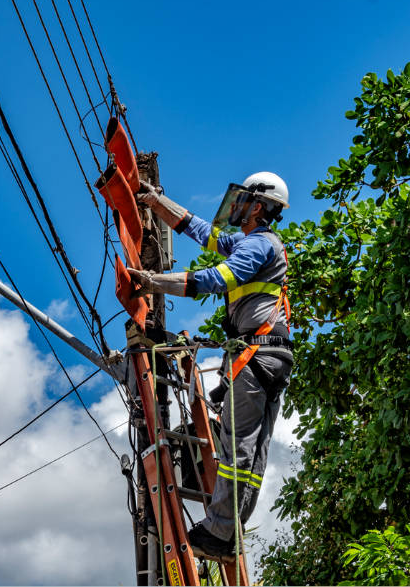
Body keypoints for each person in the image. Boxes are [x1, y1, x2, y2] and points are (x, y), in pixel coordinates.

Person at [128, 172, 294, 559]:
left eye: (242, 201)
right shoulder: (255, 243)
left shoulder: (258, 246)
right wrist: (156, 202)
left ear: (258, 206)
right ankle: (227, 532)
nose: (234, 208)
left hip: (256, 357)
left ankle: (219, 532)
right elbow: (200, 230)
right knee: (250, 455)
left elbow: (217, 279)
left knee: (238, 451)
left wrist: (152, 283)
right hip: (268, 358)